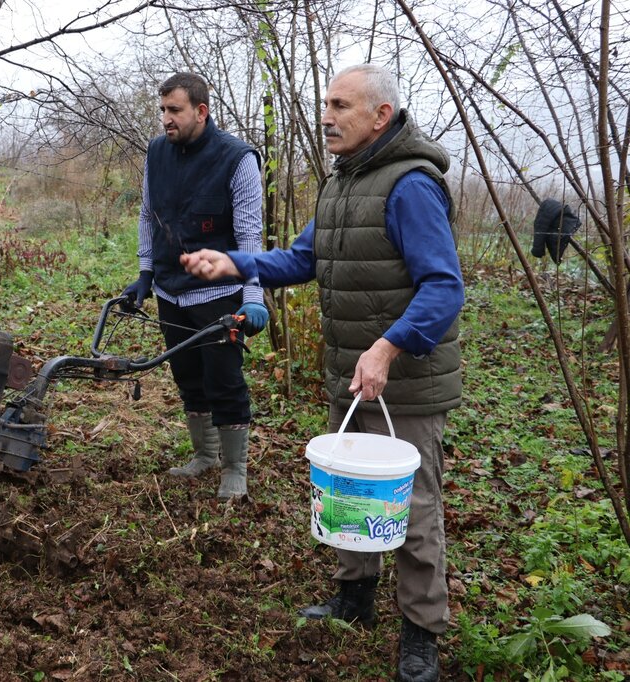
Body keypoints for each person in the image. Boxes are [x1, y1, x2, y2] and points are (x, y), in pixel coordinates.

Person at [179, 63, 464, 682]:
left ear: (381, 116)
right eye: (325, 104)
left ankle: (421, 634)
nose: (326, 117)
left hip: (404, 383)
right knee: (350, 491)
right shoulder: (343, 182)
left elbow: (444, 287)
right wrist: (235, 264)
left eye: (340, 105)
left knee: (413, 510)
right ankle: (354, 598)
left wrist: (386, 349)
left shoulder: (410, 186)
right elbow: (303, 258)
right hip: (352, 377)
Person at [121, 72, 269, 500]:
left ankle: (234, 468)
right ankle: (205, 455)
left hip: (219, 294)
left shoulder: (237, 159)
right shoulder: (157, 152)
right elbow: (148, 215)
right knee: (187, 377)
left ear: (201, 111)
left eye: (175, 110)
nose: (166, 118)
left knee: (224, 380)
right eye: (163, 110)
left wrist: (253, 297)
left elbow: (249, 236)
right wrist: (146, 273)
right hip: (171, 290)